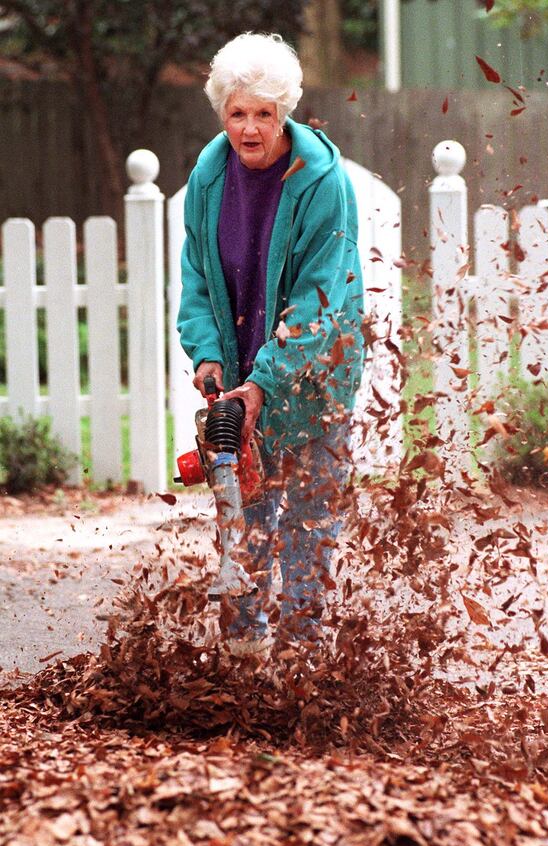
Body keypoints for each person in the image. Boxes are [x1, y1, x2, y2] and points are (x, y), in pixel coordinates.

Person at [177, 32, 364, 655]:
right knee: (245, 522)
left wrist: (266, 381)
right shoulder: (208, 179)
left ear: (284, 111)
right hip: (235, 373)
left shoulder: (321, 182)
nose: (250, 128)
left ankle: (304, 664)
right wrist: (209, 358)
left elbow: (318, 301)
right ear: (222, 112)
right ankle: (242, 661)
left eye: (263, 112)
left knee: (308, 527)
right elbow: (198, 279)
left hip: (313, 373)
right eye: (237, 112)